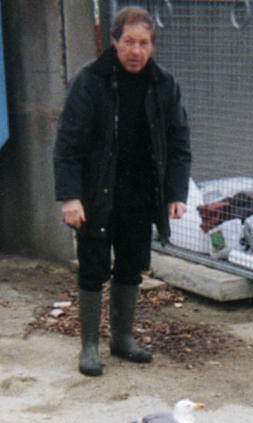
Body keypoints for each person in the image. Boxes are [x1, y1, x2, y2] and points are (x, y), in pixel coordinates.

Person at [53, 6, 191, 377]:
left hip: (140, 194)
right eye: (128, 42)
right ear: (113, 41)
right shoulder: (90, 81)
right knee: (94, 267)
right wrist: (70, 196)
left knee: (131, 267)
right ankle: (89, 347)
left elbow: (179, 145)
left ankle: (122, 339)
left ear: (152, 46)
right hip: (97, 194)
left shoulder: (164, 86)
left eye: (143, 43)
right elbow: (68, 145)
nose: (136, 51)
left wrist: (176, 193)